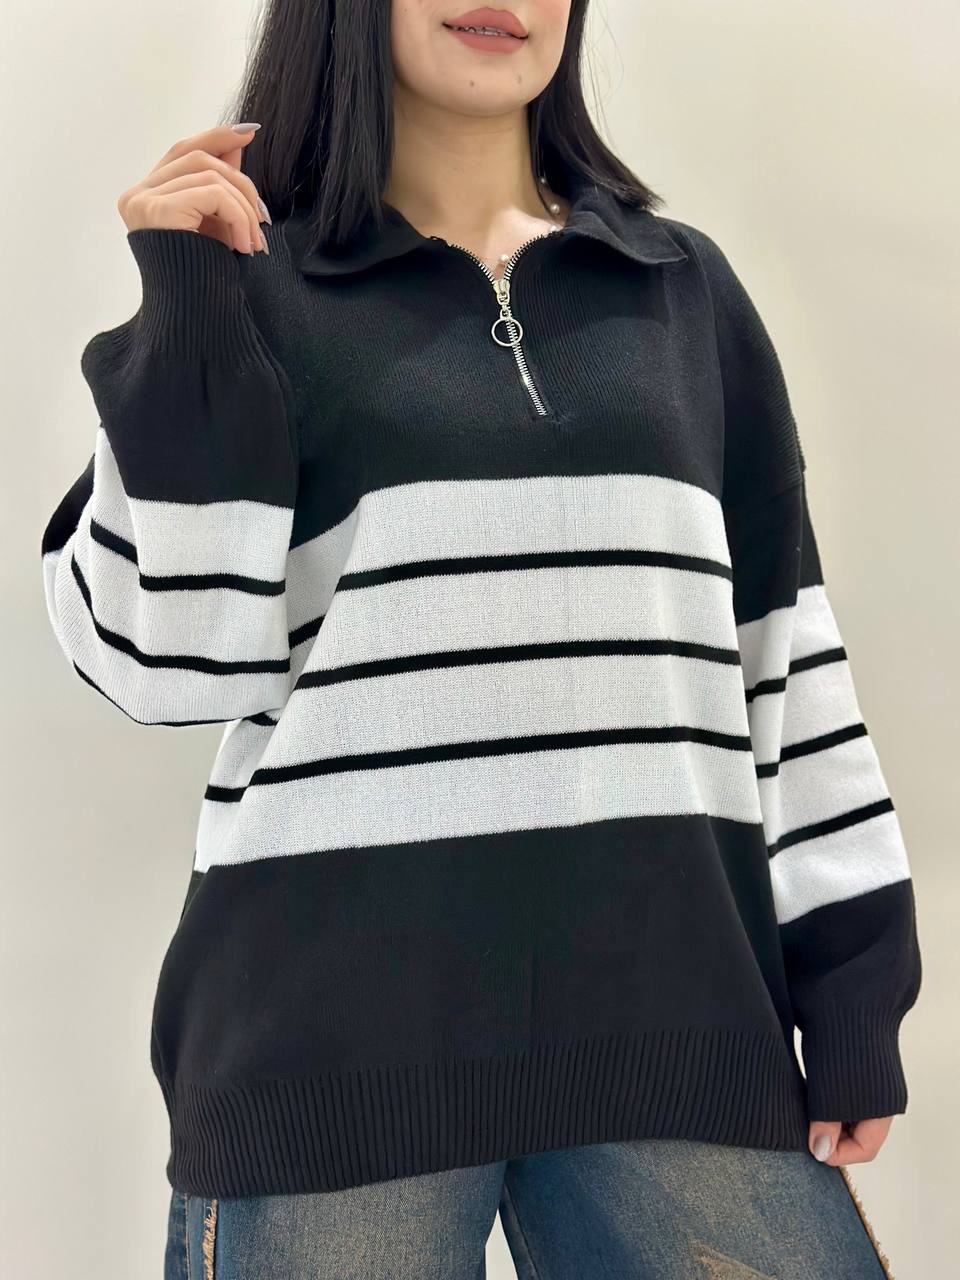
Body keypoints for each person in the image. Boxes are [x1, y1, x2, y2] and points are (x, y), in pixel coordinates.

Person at [41, 2, 921, 1276]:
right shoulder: (245, 293)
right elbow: (164, 661)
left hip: (679, 1035)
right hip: (326, 1072)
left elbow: (782, 652)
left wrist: (852, 978)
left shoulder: (679, 290)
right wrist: (187, 320)